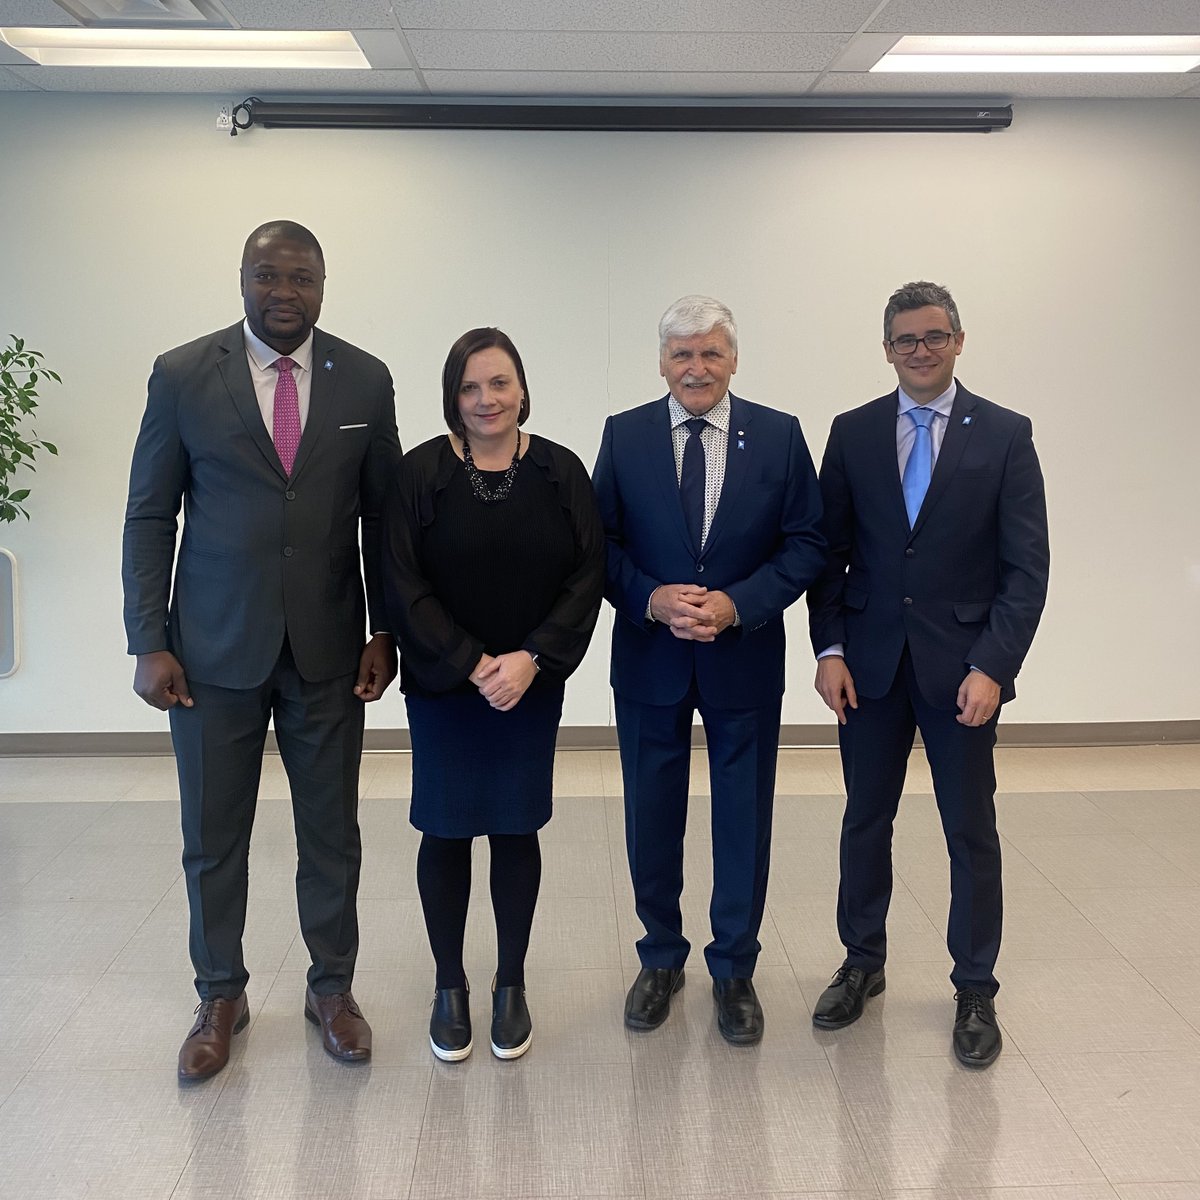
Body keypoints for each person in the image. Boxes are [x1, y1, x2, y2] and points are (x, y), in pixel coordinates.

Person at [122, 221, 401, 1082]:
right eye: (269, 276)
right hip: (209, 653)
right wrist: (148, 640)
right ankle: (219, 994)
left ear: (325, 284)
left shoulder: (363, 375)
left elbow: (383, 519)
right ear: (242, 279)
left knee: (331, 834)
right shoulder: (180, 375)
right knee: (212, 836)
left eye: (303, 278)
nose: (286, 293)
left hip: (326, 647)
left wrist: (383, 627)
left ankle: (333, 989)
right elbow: (149, 515)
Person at [807, 280, 1049, 1068]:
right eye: (905, 340)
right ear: (886, 348)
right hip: (868, 668)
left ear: (959, 339)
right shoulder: (852, 432)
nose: (920, 350)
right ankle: (861, 962)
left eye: (934, 336)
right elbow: (829, 556)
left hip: (962, 674)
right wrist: (830, 650)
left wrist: (994, 667)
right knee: (863, 821)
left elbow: (1026, 569)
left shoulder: (1007, 436)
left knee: (969, 828)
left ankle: (975, 984)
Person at [592, 295, 826, 1045]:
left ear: (733, 359)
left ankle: (734, 970)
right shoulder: (624, 436)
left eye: (711, 352)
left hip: (744, 659)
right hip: (650, 660)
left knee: (743, 821)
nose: (696, 366)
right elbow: (595, 544)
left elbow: (807, 544)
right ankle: (660, 958)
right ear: (661, 362)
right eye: (681, 353)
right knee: (650, 820)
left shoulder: (781, 437)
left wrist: (738, 604)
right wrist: (651, 598)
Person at [382, 327, 604, 1062]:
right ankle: (451, 986)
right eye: (471, 386)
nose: (486, 400)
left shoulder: (560, 471)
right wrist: (474, 662)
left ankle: (511, 984)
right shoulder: (419, 475)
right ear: (453, 394)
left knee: (515, 827)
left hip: (529, 689)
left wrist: (531, 659)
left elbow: (587, 578)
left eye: (499, 383)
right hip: (446, 687)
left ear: (521, 388)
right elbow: (402, 584)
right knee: (443, 829)